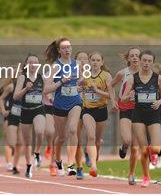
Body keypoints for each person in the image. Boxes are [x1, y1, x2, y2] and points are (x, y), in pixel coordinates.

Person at [121, 50, 161, 188]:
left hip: (153, 115)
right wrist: (129, 96)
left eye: (149, 61)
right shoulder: (132, 78)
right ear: (140, 61)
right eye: (144, 60)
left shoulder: (158, 79)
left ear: (152, 63)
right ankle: (146, 176)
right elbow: (123, 97)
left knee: (156, 149)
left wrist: (159, 102)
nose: (146, 63)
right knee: (143, 149)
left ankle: (154, 156)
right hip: (138, 116)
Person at [44, 38, 84, 179]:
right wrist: (61, 81)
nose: (67, 49)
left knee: (73, 130)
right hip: (60, 104)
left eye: (69, 47)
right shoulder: (55, 67)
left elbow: (80, 81)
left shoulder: (77, 64)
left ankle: (71, 164)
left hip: (75, 102)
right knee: (61, 137)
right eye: (64, 47)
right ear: (59, 50)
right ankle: (58, 161)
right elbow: (45, 89)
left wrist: (80, 85)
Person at [79, 52, 113, 177]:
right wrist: (80, 87)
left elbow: (110, 95)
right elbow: (77, 87)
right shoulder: (85, 75)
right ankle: (93, 166)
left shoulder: (106, 76)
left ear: (102, 62)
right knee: (91, 137)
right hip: (87, 110)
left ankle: (92, 154)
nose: (95, 62)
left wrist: (97, 90)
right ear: (89, 61)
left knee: (97, 140)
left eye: (98, 60)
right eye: (93, 60)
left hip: (101, 109)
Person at [110, 46, 140, 185]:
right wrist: (113, 100)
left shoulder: (147, 75)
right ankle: (123, 147)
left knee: (136, 146)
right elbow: (111, 85)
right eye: (132, 55)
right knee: (127, 140)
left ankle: (131, 174)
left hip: (140, 111)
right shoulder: (123, 73)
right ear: (128, 58)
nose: (135, 57)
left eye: (137, 56)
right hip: (126, 109)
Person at [15, 54, 46, 178]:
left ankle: (37, 151)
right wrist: (25, 90)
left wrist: (49, 96)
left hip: (38, 109)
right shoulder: (23, 77)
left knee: (39, 131)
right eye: (31, 62)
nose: (33, 64)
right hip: (25, 111)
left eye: (35, 62)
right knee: (27, 142)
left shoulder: (41, 77)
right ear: (27, 65)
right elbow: (15, 96)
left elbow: (45, 92)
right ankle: (28, 166)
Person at [0, 75, 24, 175]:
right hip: (11, 116)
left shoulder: (28, 87)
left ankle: (14, 165)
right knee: (10, 142)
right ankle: (9, 161)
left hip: (22, 117)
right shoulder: (11, 87)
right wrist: (3, 110)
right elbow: (0, 99)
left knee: (20, 142)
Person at [0, 77, 14, 171]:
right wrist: (1, 109)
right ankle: (9, 162)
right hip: (8, 115)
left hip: (20, 115)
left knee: (18, 141)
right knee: (8, 140)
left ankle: (14, 160)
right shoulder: (4, 88)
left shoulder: (23, 86)